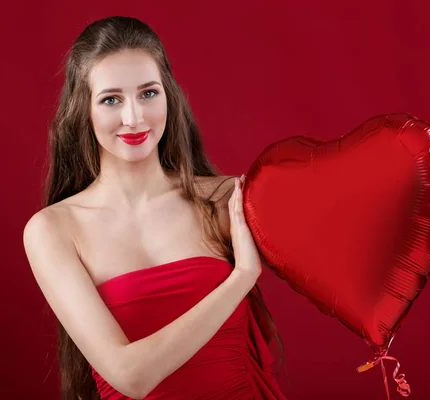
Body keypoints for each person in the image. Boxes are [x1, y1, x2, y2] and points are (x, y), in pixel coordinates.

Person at [23, 16, 286, 400]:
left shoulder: (224, 198)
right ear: (85, 110)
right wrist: (242, 277)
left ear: (169, 95)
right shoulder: (53, 230)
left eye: (148, 93)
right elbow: (130, 377)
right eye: (111, 99)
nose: (135, 118)